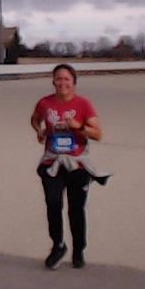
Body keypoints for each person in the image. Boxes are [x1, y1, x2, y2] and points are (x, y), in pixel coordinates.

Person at [29, 63, 109, 269]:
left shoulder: (83, 104)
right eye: (58, 78)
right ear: (53, 81)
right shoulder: (45, 103)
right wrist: (39, 130)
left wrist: (78, 126)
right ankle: (58, 245)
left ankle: (78, 249)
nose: (62, 83)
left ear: (74, 83)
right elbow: (35, 119)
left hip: (77, 164)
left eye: (67, 79)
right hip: (52, 161)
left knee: (76, 209)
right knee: (53, 203)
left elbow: (98, 134)